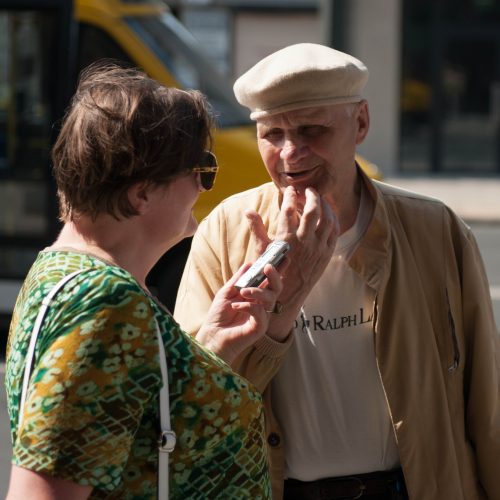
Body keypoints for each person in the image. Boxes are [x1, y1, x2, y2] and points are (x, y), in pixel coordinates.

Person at [174, 43, 500, 500]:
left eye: (311, 129)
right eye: (272, 134)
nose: (291, 154)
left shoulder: (435, 229)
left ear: (361, 123)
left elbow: (486, 404)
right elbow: (194, 399)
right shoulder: (226, 231)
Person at [5, 62, 284, 499]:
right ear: (141, 193)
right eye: (199, 171)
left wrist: (208, 349)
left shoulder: (61, 272)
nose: (202, 187)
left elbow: (137, 426)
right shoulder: (105, 301)